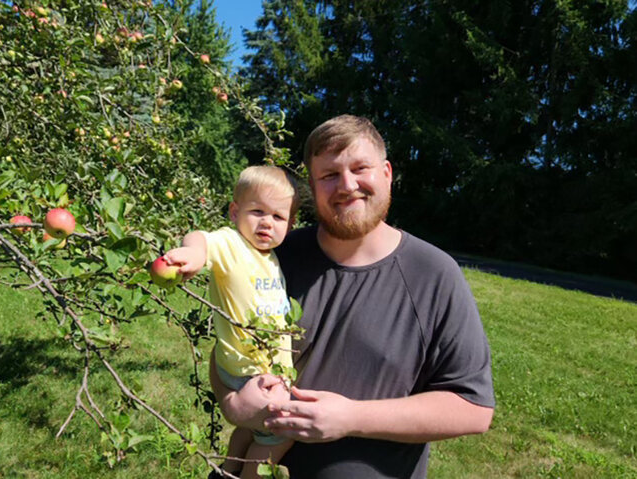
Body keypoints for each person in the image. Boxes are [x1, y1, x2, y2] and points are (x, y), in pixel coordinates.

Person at [209, 115, 495, 478]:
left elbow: (472, 408)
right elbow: (227, 347)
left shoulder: (434, 275)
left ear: (387, 173)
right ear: (312, 188)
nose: (347, 185)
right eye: (329, 175)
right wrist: (232, 402)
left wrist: (351, 418)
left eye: (361, 168)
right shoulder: (272, 257)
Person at [163, 165, 301, 479]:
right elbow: (202, 239)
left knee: (250, 432)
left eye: (278, 217)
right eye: (257, 211)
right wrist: (193, 254)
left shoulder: (269, 257)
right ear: (234, 212)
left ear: (290, 224)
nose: (267, 222)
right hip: (245, 370)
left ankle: (229, 470)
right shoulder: (232, 244)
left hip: (258, 369)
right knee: (282, 433)